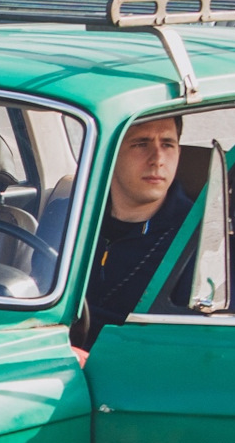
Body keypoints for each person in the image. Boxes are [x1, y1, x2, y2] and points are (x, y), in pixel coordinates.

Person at [77, 115, 189, 350]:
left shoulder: (197, 236)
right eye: (141, 144)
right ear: (110, 151)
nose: (157, 159)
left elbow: (194, 346)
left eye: (167, 145)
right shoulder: (71, 215)